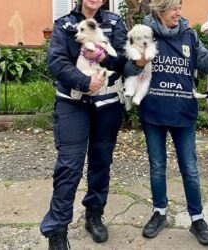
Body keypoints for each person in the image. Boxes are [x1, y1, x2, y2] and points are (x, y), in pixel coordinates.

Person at [124, 0, 208, 245]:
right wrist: (137, 61)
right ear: (160, 10)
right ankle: (159, 214)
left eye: (180, 8)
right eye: (174, 9)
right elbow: (127, 67)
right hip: (154, 113)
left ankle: (197, 218)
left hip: (183, 113)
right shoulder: (144, 33)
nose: (179, 13)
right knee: (157, 167)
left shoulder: (189, 34)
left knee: (190, 169)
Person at [39, 0, 128, 249]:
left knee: (101, 163)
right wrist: (83, 82)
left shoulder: (114, 22)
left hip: (108, 103)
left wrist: (102, 57)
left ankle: (94, 214)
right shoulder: (64, 24)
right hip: (73, 103)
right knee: (69, 166)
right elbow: (57, 61)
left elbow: (123, 59)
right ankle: (57, 231)